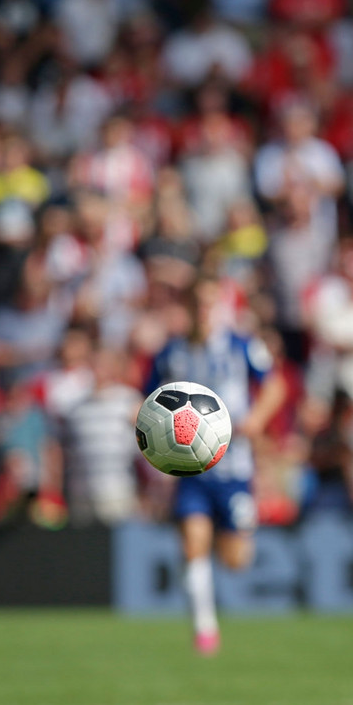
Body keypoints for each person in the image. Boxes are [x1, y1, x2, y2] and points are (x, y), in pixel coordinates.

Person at [146, 277, 286, 655]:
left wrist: (256, 419)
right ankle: (204, 628)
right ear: (187, 307)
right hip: (190, 468)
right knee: (193, 543)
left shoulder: (242, 346)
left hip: (235, 467)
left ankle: (210, 605)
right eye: (198, 304)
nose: (204, 311)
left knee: (236, 559)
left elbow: (275, 386)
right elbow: (148, 400)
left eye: (211, 304)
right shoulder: (171, 352)